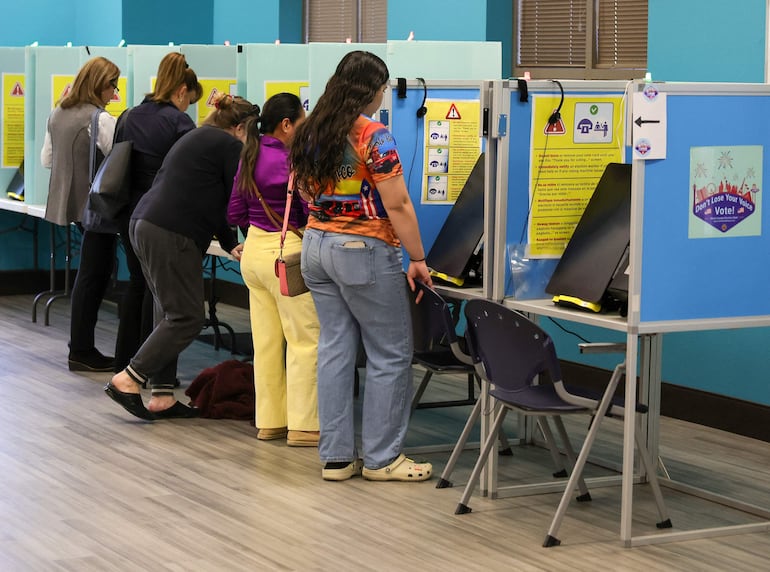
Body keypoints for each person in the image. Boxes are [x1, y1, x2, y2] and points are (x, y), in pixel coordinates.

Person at [289, 51, 434, 481]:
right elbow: (398, 202)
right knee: (390, 353)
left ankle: (336, 457)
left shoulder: (310, 130)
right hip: (363, 249)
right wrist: (419, 258)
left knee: (335, 346)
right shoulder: (375, 135)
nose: (383, 94)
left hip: (316, 245)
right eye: (383, 87)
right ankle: (382, 458)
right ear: (369, 89)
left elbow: (301, 193)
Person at [104, 93, 256, 420]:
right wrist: (254, 237)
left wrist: (231, 243)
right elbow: (239, 198)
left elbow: (214, 200)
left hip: (144, 223)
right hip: (172, 232)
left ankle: (161, 395)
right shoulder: (228, 146)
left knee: (167, 311)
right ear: (240, 128)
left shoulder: (196, 137)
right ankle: (129, 378)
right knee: (186, 316)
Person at [228, 93, 320, 447]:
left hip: (252, 254)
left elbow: (234, 212)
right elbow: (303, 214)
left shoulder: (248, 156)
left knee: (265, 345)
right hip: (286, 256)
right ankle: (304, 426)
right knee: (304, 342)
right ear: (286, 125)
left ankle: (269, 422)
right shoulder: (293, 161)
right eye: (301, 122)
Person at [113, 52, 202, 374]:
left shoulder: (131, 114)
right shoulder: (179, 122)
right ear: (182, 91)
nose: (188, 106)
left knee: (138, 284)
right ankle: (151, 371)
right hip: (163, 215)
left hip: (129, 212)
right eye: (190, 100)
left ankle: (125, 360)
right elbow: (191, 173)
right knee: (163, 297)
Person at [41, 56, 121, 372]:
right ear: (99, 84)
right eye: (112, 85)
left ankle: (81, 347)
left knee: (90, 272)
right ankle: (82, 349)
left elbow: (48, 160)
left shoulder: (57, 112)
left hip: (70, 203)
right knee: (94, 275)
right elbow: (120, 160)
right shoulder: (99, 119)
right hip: (97, 207)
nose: (114, 93)